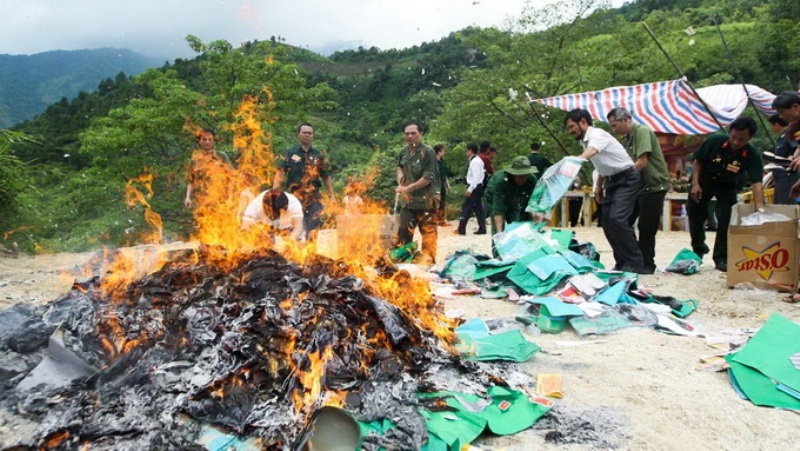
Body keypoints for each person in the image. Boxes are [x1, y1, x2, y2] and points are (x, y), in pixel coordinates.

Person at [564, 108, 645, 273]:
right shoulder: (584, 141)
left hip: (627, 178)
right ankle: (621, 262)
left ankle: (635, 262)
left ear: (583, 122)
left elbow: (592, 152)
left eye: (571, 126)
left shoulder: (597, 135)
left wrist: (573, 162)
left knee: (618, 219)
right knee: (607, 221)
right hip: (611, 180)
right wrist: (599, 186)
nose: (570, 131)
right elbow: (600, 164)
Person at [687, 117, 764, 272]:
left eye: (741, 139)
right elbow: (698, 161)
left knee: (726, 219)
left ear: (750, 138)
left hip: (727, 185)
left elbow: (757, 183)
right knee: (695, 214)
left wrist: (760, 208)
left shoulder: (752, 155)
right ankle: (699, 249)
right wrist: (695, 184)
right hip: (704, 180)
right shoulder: (715, 141)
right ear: (730, 133)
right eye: (734, 137)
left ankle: (721, 257)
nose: (736, 142)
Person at [607, 107, 670, 274]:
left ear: (626, 119)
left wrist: (621, 179)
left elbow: (642, 162)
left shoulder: (642, 131)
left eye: (615, 125)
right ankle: (631, 259)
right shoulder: (626, 139)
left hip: (654, 185)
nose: (614, 130)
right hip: (637, 186)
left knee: (646, 226)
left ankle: (647, 263)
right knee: (623, 221)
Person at [273, 123, 335, 241]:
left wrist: (332, 195)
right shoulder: (290, 153)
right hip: (295, 197)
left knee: (313, 229)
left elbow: (326, 176)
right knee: (292, 229)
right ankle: (292, 255)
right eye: (304, 132)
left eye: (309, 133)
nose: (307, 135)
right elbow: (280, 172)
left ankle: (310, 255)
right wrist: (274, 192)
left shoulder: (318, 155)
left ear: (313, 136)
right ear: (298, 134)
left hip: (314, 197)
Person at [395, 122, 439, 264]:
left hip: (426, 203)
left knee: (428, 237)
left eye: (413, 133)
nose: (410, 136)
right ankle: (404, 264)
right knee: (403, 232)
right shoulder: (404, 152)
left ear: (421, 134)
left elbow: (427, 178)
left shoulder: (428, 152)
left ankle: (428, 266)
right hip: (408, 203)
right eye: (407, 133)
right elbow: (399, 167)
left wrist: (407, 188)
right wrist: (400, 178)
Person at [485, 156, 539, 235]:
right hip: (493, 197)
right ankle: (497, 245)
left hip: (514, 197)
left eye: (525, 175)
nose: (522, 178)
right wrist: (499, 234)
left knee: (516, 224)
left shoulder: (532, 180)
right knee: (498, 230)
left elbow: (534, 202)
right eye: (519, 175)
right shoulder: (501, 181)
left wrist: (536, 218)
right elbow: (498, 209)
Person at [184, 128, 235, 209]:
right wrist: (187, 198)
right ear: (199, 141)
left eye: (210, 139)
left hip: (220, 203)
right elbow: (190, 181)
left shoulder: (221, 156)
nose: (207, 142)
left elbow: (231, 178)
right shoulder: (195, 160)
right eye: (204, 139)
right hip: (200, 203)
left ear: (213, 141)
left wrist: (230, 198)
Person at [766, 113, 799, 204]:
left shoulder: (790, 135)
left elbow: (797, 148)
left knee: (788, 205)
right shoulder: (782, 138)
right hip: (779, 177)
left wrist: (793, 156)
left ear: (776, 124)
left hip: (789, 176)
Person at [457, 143, 487, 235]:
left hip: (475, 186)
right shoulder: (476, 160)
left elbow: (476, 177)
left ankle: (461, 229)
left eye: (466, 150)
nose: (466, 152)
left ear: (470, 150)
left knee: (467, 207)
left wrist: (470, 189)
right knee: (478, 208)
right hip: (477, 186)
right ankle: (482, 228)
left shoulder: (475, 162)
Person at [434, 144, 451, 224]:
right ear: (439, 151)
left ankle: (442, 219)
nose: (444, 152)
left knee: (442, 202)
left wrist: (448, 185)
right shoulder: (433, 162)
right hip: (435, 185)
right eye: (443, 151)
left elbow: (445, 174)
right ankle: (435, 219)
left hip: (442, 184)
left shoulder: (443, 162)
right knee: (435, 202)